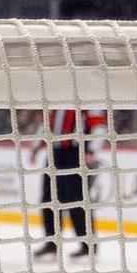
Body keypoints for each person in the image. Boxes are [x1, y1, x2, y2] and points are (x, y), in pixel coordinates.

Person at [36, 105, 104, 262]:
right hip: (55, 153)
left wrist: (92, 150)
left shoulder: (85, 102)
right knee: (49, 199)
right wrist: (36, 147)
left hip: (76, 152)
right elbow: (46, 124)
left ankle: (88, 247)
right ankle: (52, 244)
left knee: (77, 200)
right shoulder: (55, 102)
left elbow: (98, 126)